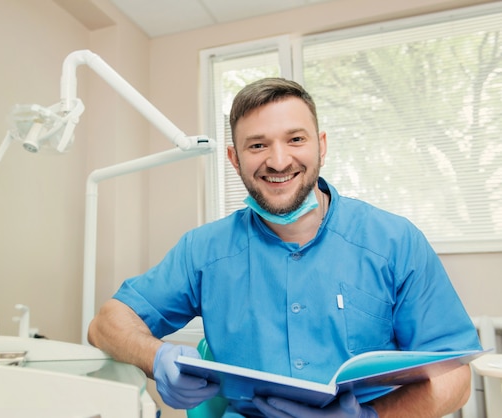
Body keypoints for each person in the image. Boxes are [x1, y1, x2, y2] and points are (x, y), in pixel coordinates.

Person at [88, 78, 482, 417]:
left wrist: (372, 416)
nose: (279, 161)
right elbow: (107, 323)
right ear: (234, 158)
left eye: (295, 139)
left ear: (321, 145)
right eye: (257, 145)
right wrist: (155, 359)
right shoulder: (205, 249)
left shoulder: (394, 241)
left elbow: (454, 375)